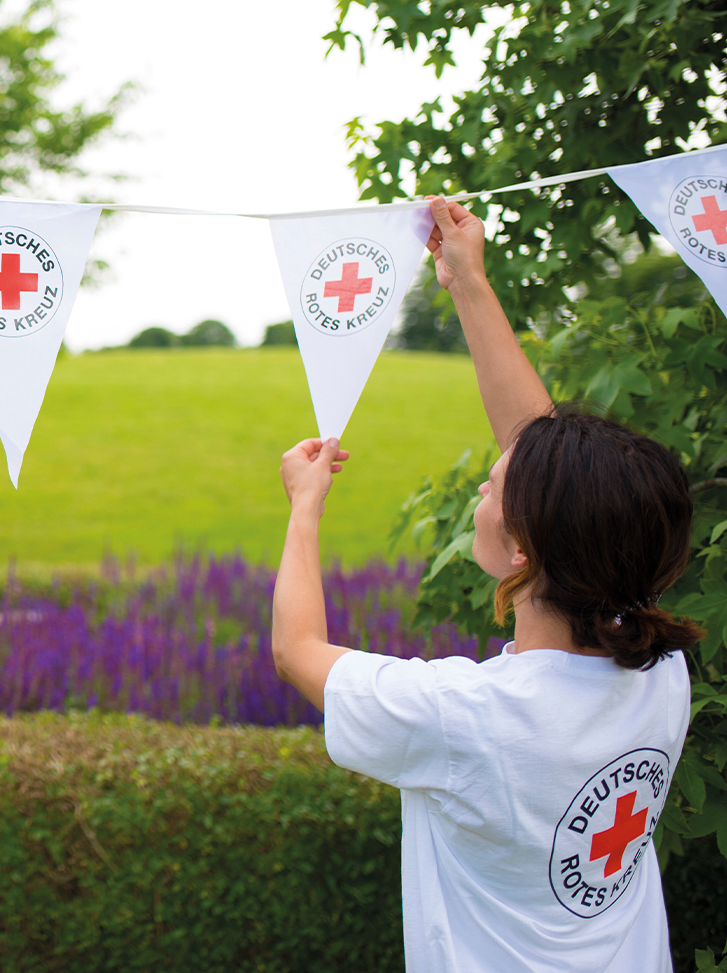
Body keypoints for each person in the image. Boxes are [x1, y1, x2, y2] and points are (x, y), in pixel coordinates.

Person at [271, 195, 702, 973]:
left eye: (496, 485)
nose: (483, 484)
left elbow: (298, 649)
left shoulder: (467, 718)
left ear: (525, 550)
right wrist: (467, 279)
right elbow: (554, 470)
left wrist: (305, 507)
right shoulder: (658, 672)